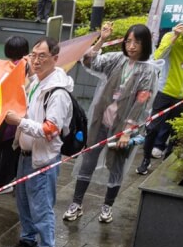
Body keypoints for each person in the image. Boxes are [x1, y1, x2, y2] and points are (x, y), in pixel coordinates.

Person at [63, 23, 159, 224]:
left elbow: (142, 102)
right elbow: (89, 62)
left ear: (146, 44)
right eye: (128, 41)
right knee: (87, 161)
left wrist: (127, 131)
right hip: (101, 121)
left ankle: (107, 207)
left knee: (116, 165)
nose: (132, 46)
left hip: (122, 127)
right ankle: (76, 203)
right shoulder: (117, 59)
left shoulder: (148, 71)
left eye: (137, 42)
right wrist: (103, 39)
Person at [2, 37, 73, 247]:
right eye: (33, 55)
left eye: (42, 56)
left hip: (42, 159)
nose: (36, 60)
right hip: (25, 155)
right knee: (23, 201)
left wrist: (18, 122)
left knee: (41, 205)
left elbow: (50, 130)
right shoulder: (35, 82)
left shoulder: (58, 92)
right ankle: (28, 240)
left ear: (55, 58)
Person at [137, 22, 183, 175]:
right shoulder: (170, 36)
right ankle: (145, 159)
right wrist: (174, 37)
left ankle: (167, 161)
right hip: (165, 91)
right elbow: (157, 57)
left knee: (177, 130)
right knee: (152, 128)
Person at [0, 36, 27, 194]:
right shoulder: (26, 67)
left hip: (6, 121)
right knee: (13, 153)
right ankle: (13, 180)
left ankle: (2, 183)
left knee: (4, 153)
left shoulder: (6, 68)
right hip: (19, 119)